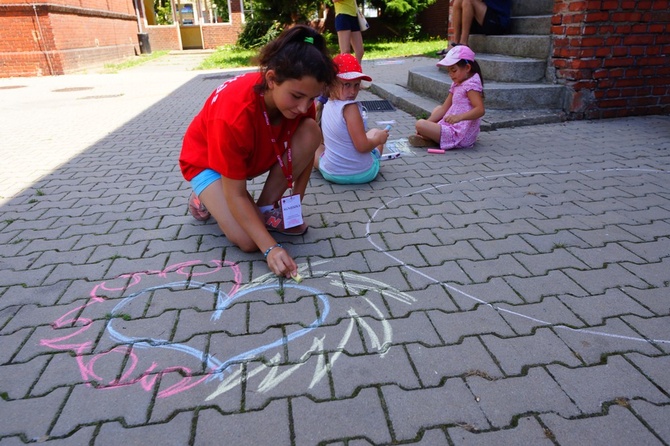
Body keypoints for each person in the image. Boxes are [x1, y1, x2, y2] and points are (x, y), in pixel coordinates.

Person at [178, 25, 337, 278]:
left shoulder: (300, 101)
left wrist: (294, 205)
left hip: (252, 154)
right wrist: (271, 248)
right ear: (272, 79)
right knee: (249, 241)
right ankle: (204, 197)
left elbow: (307, 155)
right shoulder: (233, 114)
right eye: (297, 96)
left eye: (312, 98)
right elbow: (236, 194)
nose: (303, 106)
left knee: (310, 130)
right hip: (207, 163)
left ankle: (263, 209)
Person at [314, 53, 389, 185]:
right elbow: (362, 146)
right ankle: (374, 157)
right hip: (363, 174)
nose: (353, 91)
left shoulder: (326, 104)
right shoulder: (350, 108)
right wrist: (379, 139)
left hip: (331, 173)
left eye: (356, 85)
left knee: (315, 149)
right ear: (332, 83)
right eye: (347, 85)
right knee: (377, 133)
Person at [409, 45, 485, 150]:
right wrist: (429, 123)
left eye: (454, 70)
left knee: (420, 124)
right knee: (437, 109)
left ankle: (433, 139)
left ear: (467, 68)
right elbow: (444, 108)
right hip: (452, 124)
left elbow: (480, 110)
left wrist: (459, 117)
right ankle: (431, 138)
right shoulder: (457, 83)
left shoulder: (471, 85)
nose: (451, 74)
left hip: (460, 135)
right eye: (449, 71)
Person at [437, 0, 511, 55]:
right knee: (457, 2)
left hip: (498, 22)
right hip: (483, 20)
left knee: (468, 1)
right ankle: (455, 43)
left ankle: (464, 43)